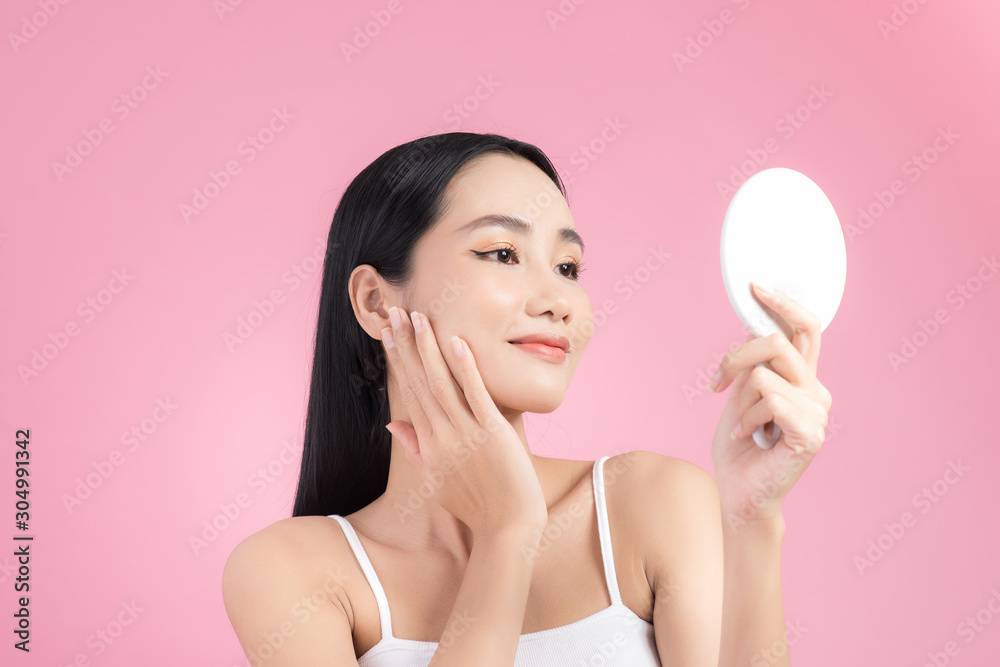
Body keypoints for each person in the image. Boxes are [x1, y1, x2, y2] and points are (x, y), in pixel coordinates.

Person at [221, 132, 832, 666]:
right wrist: (506, 536)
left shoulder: (652, 505)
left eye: (568, 267)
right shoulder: (289, 572)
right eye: (504, 254)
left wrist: (753, 520)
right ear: (377, 303)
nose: (559, 299)